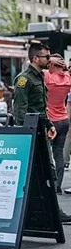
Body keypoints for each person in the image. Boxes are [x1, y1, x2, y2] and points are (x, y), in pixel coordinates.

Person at [13, 43, 71, 222]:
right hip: (32, 134)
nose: (49, 60)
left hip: (41, 131)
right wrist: (26, 135)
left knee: (48, 171)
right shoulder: (24, 79)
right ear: (35, 58)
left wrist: (49, 124)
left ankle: (51, 211)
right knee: (35, 173)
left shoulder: (40, 77)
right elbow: (20, 112)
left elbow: (41, 107)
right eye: (46, 57)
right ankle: (27, 213)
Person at [44, 54, 71, 194]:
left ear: (53, 65)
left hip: (51, 121)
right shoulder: (67, 79)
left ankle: (50, 183)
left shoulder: (48, 77)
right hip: (64, 120)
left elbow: (38, 68)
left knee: (47, 154)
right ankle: (58, 186)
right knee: (59, 153)